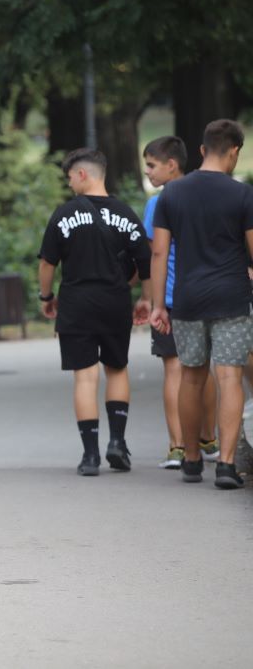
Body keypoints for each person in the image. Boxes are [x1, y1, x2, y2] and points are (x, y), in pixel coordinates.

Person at [149, 119, 253, 490]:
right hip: (232, 298)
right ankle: (225, 465)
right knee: (228, 377)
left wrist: (159, 304)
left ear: (202, 150)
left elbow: (159, 252)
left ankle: (191, 459)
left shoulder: (172, 195)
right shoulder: (242, 195)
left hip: (189, 299)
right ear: (234, 151)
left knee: (190, 377)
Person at [38, 147, 152, 477]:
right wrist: (145, 298)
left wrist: (46, 295)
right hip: (115, 301)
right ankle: (117, 442)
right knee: (116, 369)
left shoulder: (64, 214)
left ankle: (90, 456)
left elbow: (47, 262)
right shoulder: (126, 214)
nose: (70, 183)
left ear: (83, 174)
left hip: (76, 302)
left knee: (85, 377)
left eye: (70, 177)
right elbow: (145, 263)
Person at [141, 136, 219, 468]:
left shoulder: (159, 203)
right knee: (208, 369)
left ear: (171, 164)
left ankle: (177, 445)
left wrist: (151, 299)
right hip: (208, 293)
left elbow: (153, 254)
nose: (148, 172)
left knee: (175, 369)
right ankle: (209, 438)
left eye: (151, 165)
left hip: (172, 297)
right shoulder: (208, 196)